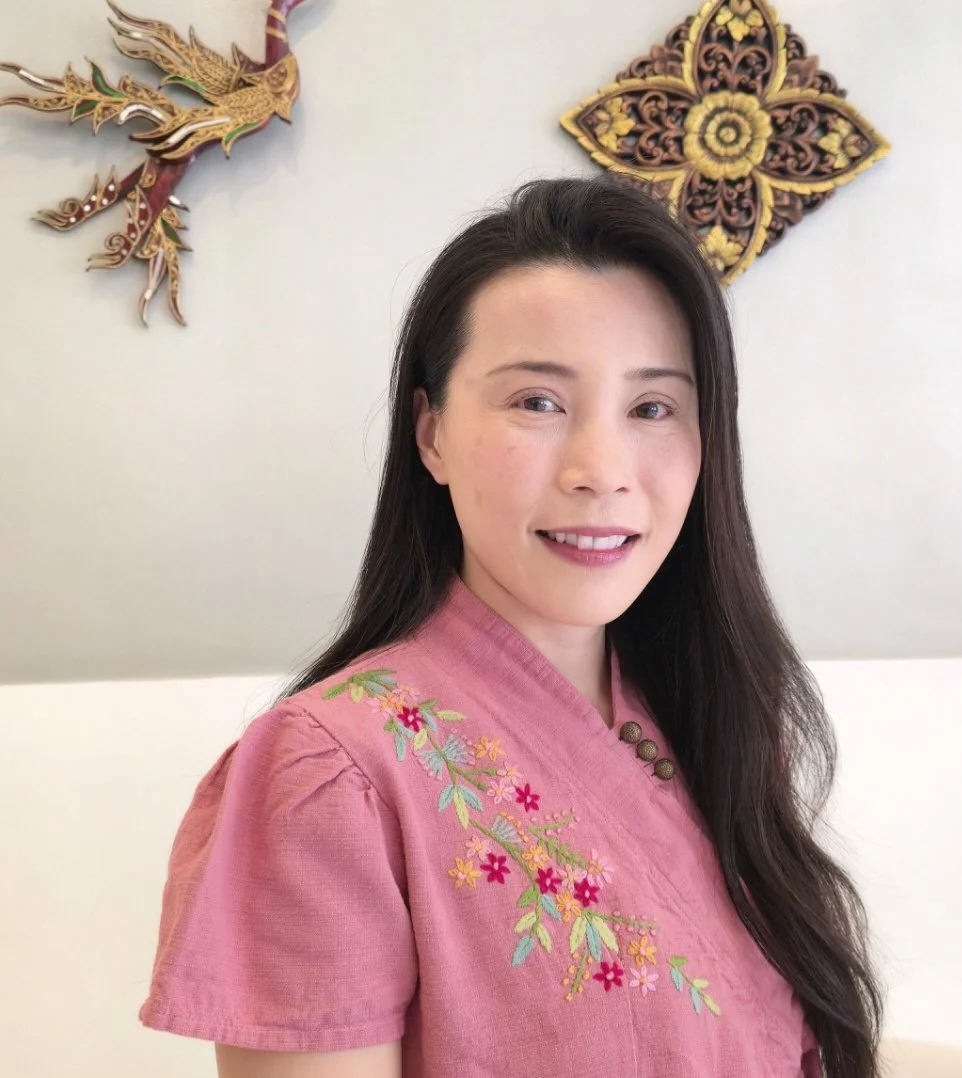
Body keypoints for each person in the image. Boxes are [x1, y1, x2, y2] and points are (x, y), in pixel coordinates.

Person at [137, 175, 885, 1077]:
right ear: (432, 434)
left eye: (652, 408)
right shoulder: (332, 778)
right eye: (537, 401)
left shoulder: (715, 717)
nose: (601, 469)